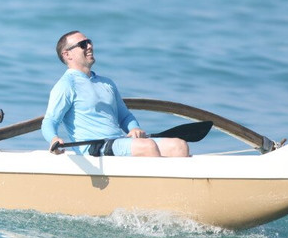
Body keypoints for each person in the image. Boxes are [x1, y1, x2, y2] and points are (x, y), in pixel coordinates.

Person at [41, 32, 189, 157]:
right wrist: (54, 139)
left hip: (116, 142)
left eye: (89, 42)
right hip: (94, 148)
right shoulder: (66, 85)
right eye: (83, 44)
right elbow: (50, 121)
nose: (90, 46)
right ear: (67, 55)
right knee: (147, 146)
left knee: (178, 146)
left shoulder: (107, 83)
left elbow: (124, 116)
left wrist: (134, 129)